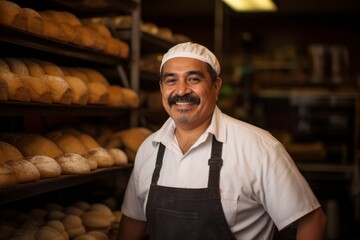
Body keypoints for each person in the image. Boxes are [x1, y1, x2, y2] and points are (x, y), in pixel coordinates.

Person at [116, 42, 327, 240]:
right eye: (171, 80)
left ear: (216, 87)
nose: (181, 90)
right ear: (162, 88)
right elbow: (133, 222)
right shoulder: (148, 149)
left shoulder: (259, 148)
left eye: (193, 79)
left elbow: (312, 220)